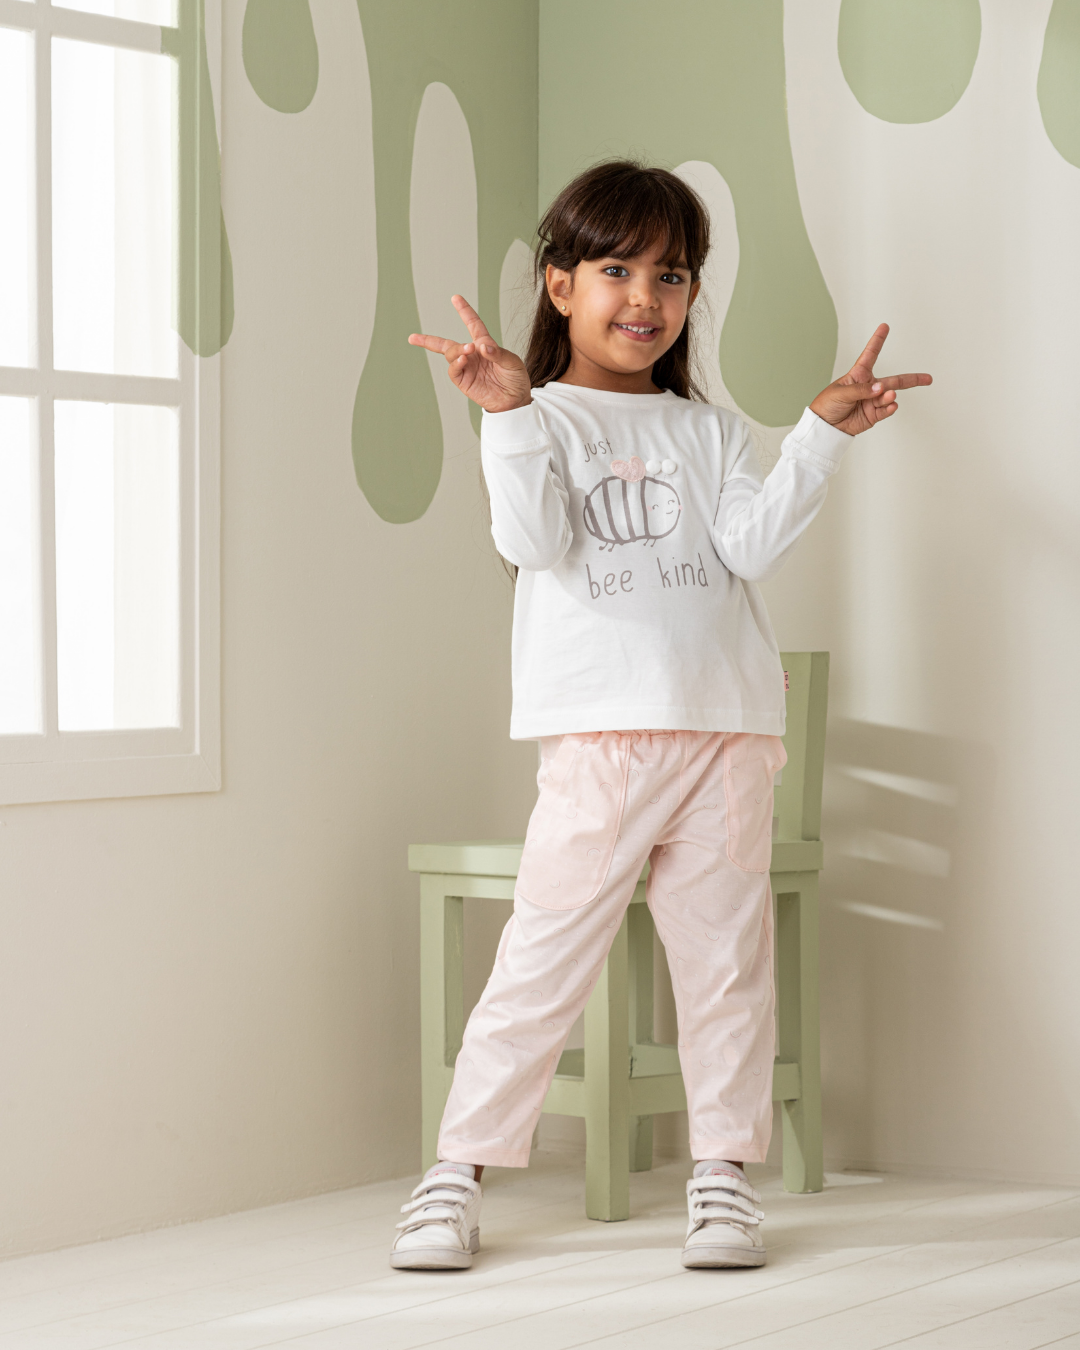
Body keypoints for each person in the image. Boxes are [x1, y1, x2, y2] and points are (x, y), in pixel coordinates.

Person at [391, 160, 931, 1272]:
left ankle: (723, 1177)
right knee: (542, 960)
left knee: (726, 967)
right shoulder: (534, 415)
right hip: (601, 739)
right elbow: (533, 542)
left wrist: (819, 433)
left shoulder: (714, 431)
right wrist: (505, 417)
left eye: (672, 275)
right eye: (617, 270)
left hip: (729, 736)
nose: (645, 297)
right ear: (560, 285)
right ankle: (456, 1175)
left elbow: (751, 549)